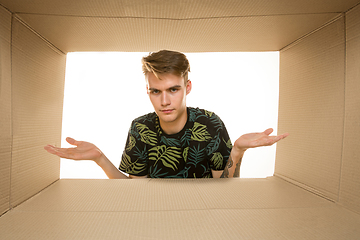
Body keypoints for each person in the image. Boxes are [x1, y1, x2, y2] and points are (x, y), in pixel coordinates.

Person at [44, 50, 288, 179]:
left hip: (202, 216)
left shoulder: (210, 123)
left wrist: (237, 151)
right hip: (155, 215)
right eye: (155, 91)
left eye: (173, 89)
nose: (164, 101)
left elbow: (224, 189)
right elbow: (135, 191)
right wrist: (100, 159)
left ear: (188, 88)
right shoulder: (140, 127)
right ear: (147, 91)